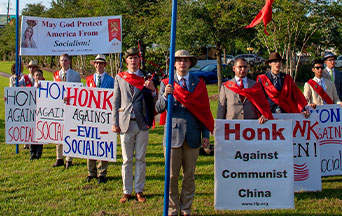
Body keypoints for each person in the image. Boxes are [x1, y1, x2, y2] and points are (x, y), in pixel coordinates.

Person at [155, 50, 214, 216]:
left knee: (189, 176)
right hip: (172, 137)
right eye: (179, 60)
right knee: (172, 177)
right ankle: (172, 209)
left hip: (193, 135)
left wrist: (205, 135)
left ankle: (186, 208)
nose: (182, 63)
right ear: (174, 63)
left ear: (190, 63)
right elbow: (158, 108)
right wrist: (166, 94)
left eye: (185, 60)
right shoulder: (166, 83)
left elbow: (204, 111)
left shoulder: (198, 83)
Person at [112, 48, 157, 203]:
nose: (133, 60)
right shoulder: (120, 77)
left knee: (141, 158)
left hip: (142, 122)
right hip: (125, 122)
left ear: (139, 60)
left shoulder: (146, 77)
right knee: (126, 159)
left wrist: (152, 90)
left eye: (135, 57)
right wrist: (114, 122)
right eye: (130, 58)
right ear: (126, 60)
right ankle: (126, 191)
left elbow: (154, 99)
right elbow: (116, 101)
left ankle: (139, 190)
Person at [85, 54, 114, 183]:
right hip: (91, 116)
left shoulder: (111, 80)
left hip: (104, 117)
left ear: (104, 65)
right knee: (90, 143)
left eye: (101, 63)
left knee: (103, 143)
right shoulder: (88, 79)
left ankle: (102, 172)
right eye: (96, 63)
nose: (98, 65)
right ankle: (91, 172)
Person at [217, 58, 273, 123]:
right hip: (232, 126)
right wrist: (219, 125)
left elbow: (263, 105)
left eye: (245, 67)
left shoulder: (255, 85)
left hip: (251, 125)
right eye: (240, 67)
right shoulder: (226, 86)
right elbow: (221, 108)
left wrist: (263, 116)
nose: (243, 69)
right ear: (234, 68)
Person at [257, 52, 310, 117]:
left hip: (286, 112)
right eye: (275, 61)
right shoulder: (263, 79)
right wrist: (262, 114)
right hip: (269, 114)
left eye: (279, 61)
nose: (278, 63)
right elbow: (260, 99)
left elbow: (296, 95)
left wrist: (302, 109)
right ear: (270, 63)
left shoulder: (287, 78)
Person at [52, 53, 81, 168]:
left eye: (65, 60)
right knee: (59, 132)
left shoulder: (76, 75)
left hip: (71, 107)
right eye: (61, 60)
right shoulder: (56, 75)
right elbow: (53, 91)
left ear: (69, 62)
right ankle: (59, 157)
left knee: (70, 132)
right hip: (59, 108)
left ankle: (69, 158)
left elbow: (79, 91)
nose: (63, 62)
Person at [30, 69, 45, 160]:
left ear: (42, 76)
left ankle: (39, 152)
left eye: (39, 75)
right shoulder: (30, 87)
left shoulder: (47, 87)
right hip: (32, 112)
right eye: (36, 75)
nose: (37, 77)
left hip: (42, 112)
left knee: (40, 132)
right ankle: (32, 152)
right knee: (33, 133)